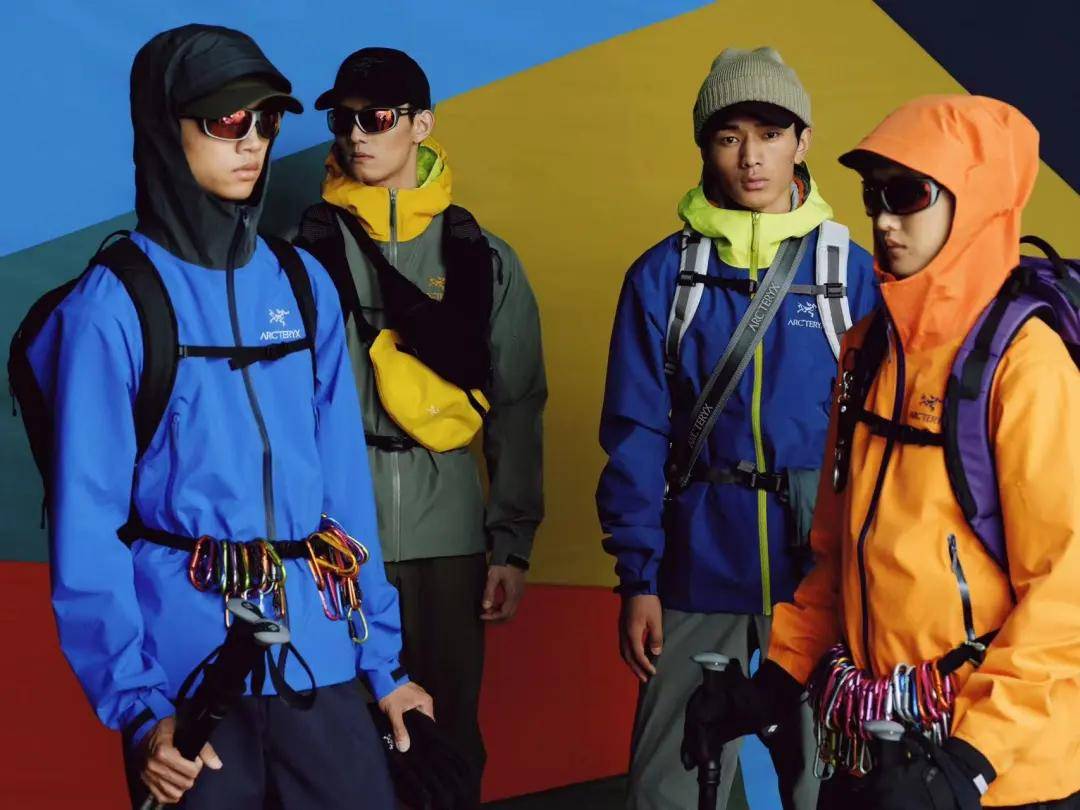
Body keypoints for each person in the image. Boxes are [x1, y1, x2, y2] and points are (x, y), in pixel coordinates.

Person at [26, 24, 429, 808]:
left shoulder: (303, 283)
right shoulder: (114, 306)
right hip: (188, 675)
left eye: (267, 120)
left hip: (319, 655)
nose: (253, 143)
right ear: (163, 127)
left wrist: (384, 666)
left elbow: (346, 494)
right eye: (226, 121)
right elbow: (87, 529)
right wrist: (140, 708)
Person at [684, 95, 1080, 809]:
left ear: (977, 200)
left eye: (909, 194)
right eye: (874, 196)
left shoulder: (1027, 365)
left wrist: (970, 762)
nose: (885, 220)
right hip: (878, 747)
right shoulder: (867, 350)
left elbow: (1067, 592)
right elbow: (838, 553)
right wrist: (774, 681)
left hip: (995, 773)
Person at [596, 47, 878, 810]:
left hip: (822, 580)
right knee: (668, 789)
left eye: (771, 133)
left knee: (827, 787)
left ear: (803, 141)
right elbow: (635, 434)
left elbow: (885, 444)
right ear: (704, 147)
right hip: (698, 570)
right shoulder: (664, 276)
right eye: (729, 137)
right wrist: (639, 579)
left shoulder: (849, 274)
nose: (751, 157)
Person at [295, 47, 547, 803]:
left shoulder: (481, 258)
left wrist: (511, 543)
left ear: (421, 125)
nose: (356, 135)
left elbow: (519, 404)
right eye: (343, 120)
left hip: (450, 539)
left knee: (447, 735)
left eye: (376, 118)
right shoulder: (301, 255)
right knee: (335, 736)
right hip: (336, 537)